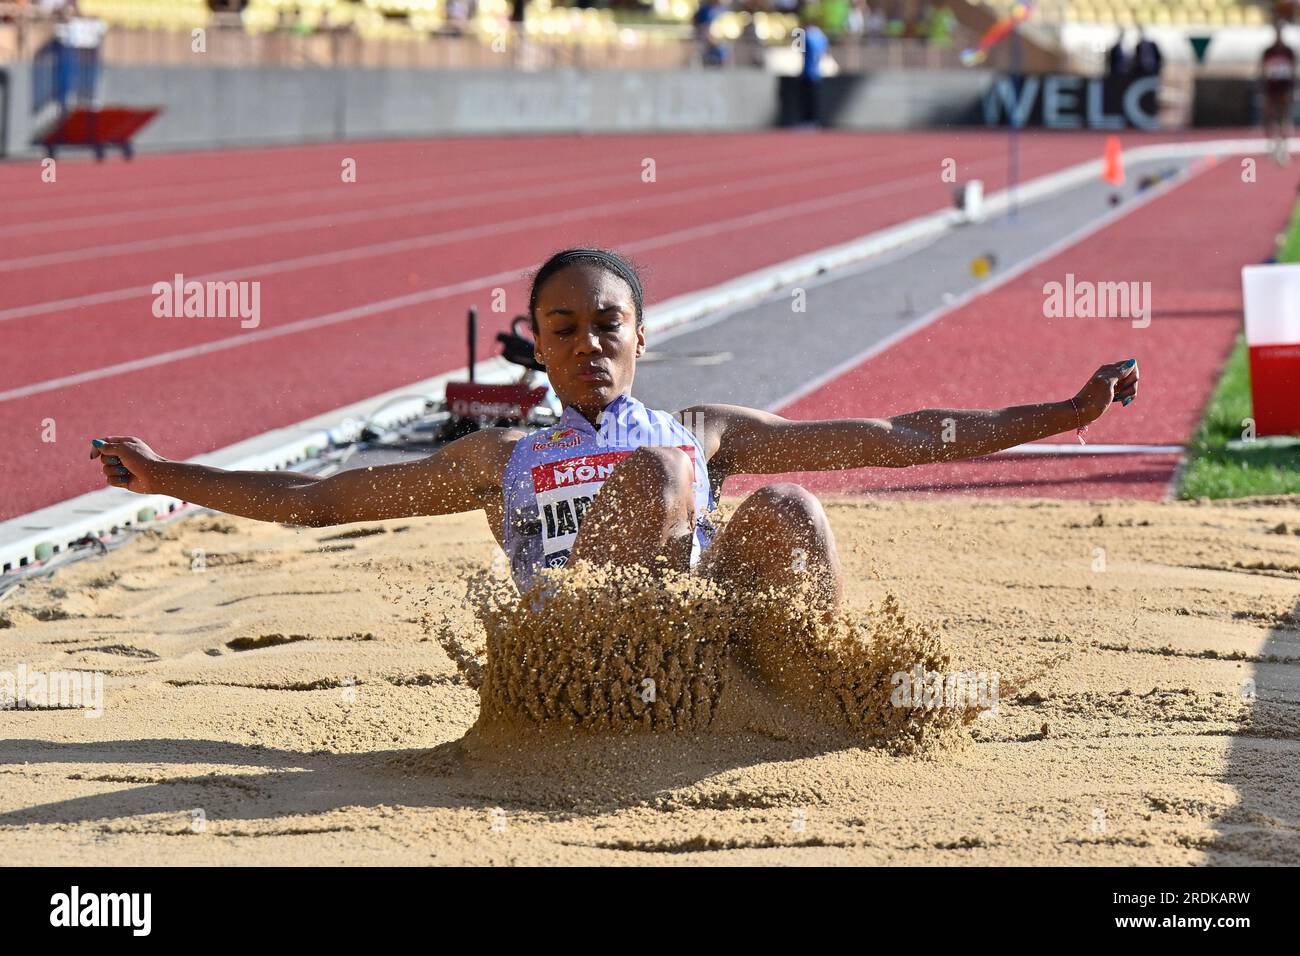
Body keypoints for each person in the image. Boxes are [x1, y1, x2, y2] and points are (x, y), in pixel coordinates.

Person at [89, 248, 1141, 617]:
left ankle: (813, 691)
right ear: (536, 348)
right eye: (563, 328)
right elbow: (319, 501)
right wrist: (164, 474)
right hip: (578, 660)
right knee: (652, 472)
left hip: (691, 641)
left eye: (607, 324)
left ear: (641, 335)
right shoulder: (497, 461)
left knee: (789, 505)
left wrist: (1065, 412)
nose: (588, 342)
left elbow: (898, 433)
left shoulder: (703, 429)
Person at [1261, 18, 1296, 165]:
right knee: (1271, 118)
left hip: (1285, 89)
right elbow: (1263, 70)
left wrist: (1293, 89)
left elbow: (1293, 71)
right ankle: (1272, 147)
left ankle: (1283, 148)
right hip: (1271, 89)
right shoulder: (1268, 51)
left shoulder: (1289, 52)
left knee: (1284, 117)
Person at [797, 7, 829, 127]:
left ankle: (807, 121)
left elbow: (798, 50)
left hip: (807, 72)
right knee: (814, 98)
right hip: (817, 72)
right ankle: (813, 120)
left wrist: (798, 32)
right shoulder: (822, 36)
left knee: (806, 99)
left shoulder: (806, 35)